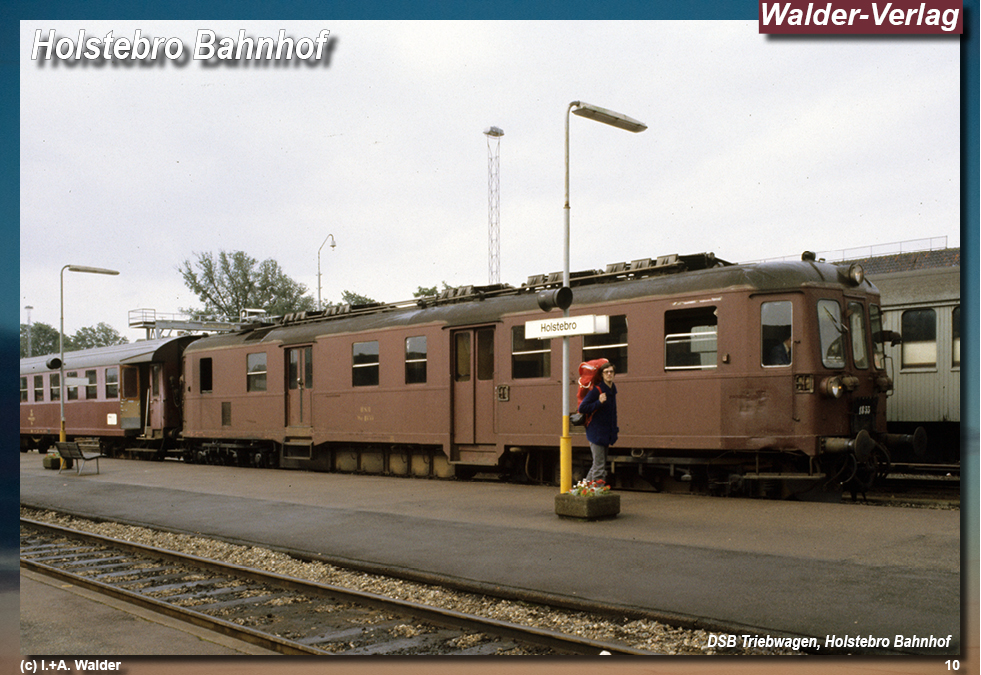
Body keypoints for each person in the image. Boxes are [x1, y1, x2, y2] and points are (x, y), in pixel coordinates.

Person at [577, 362, 618, 485]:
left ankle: (584, 488)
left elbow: (612, 413)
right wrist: (598, 403)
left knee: (598, 463)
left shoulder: (612, 389)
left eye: (611, 372)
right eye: (606, 372)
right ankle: (598, 492)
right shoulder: (597, 390)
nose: (609, 374)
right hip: (596, 432)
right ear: (602, 375)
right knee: (599, 466)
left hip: (606, 433)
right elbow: (582, 408)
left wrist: (614, 431)